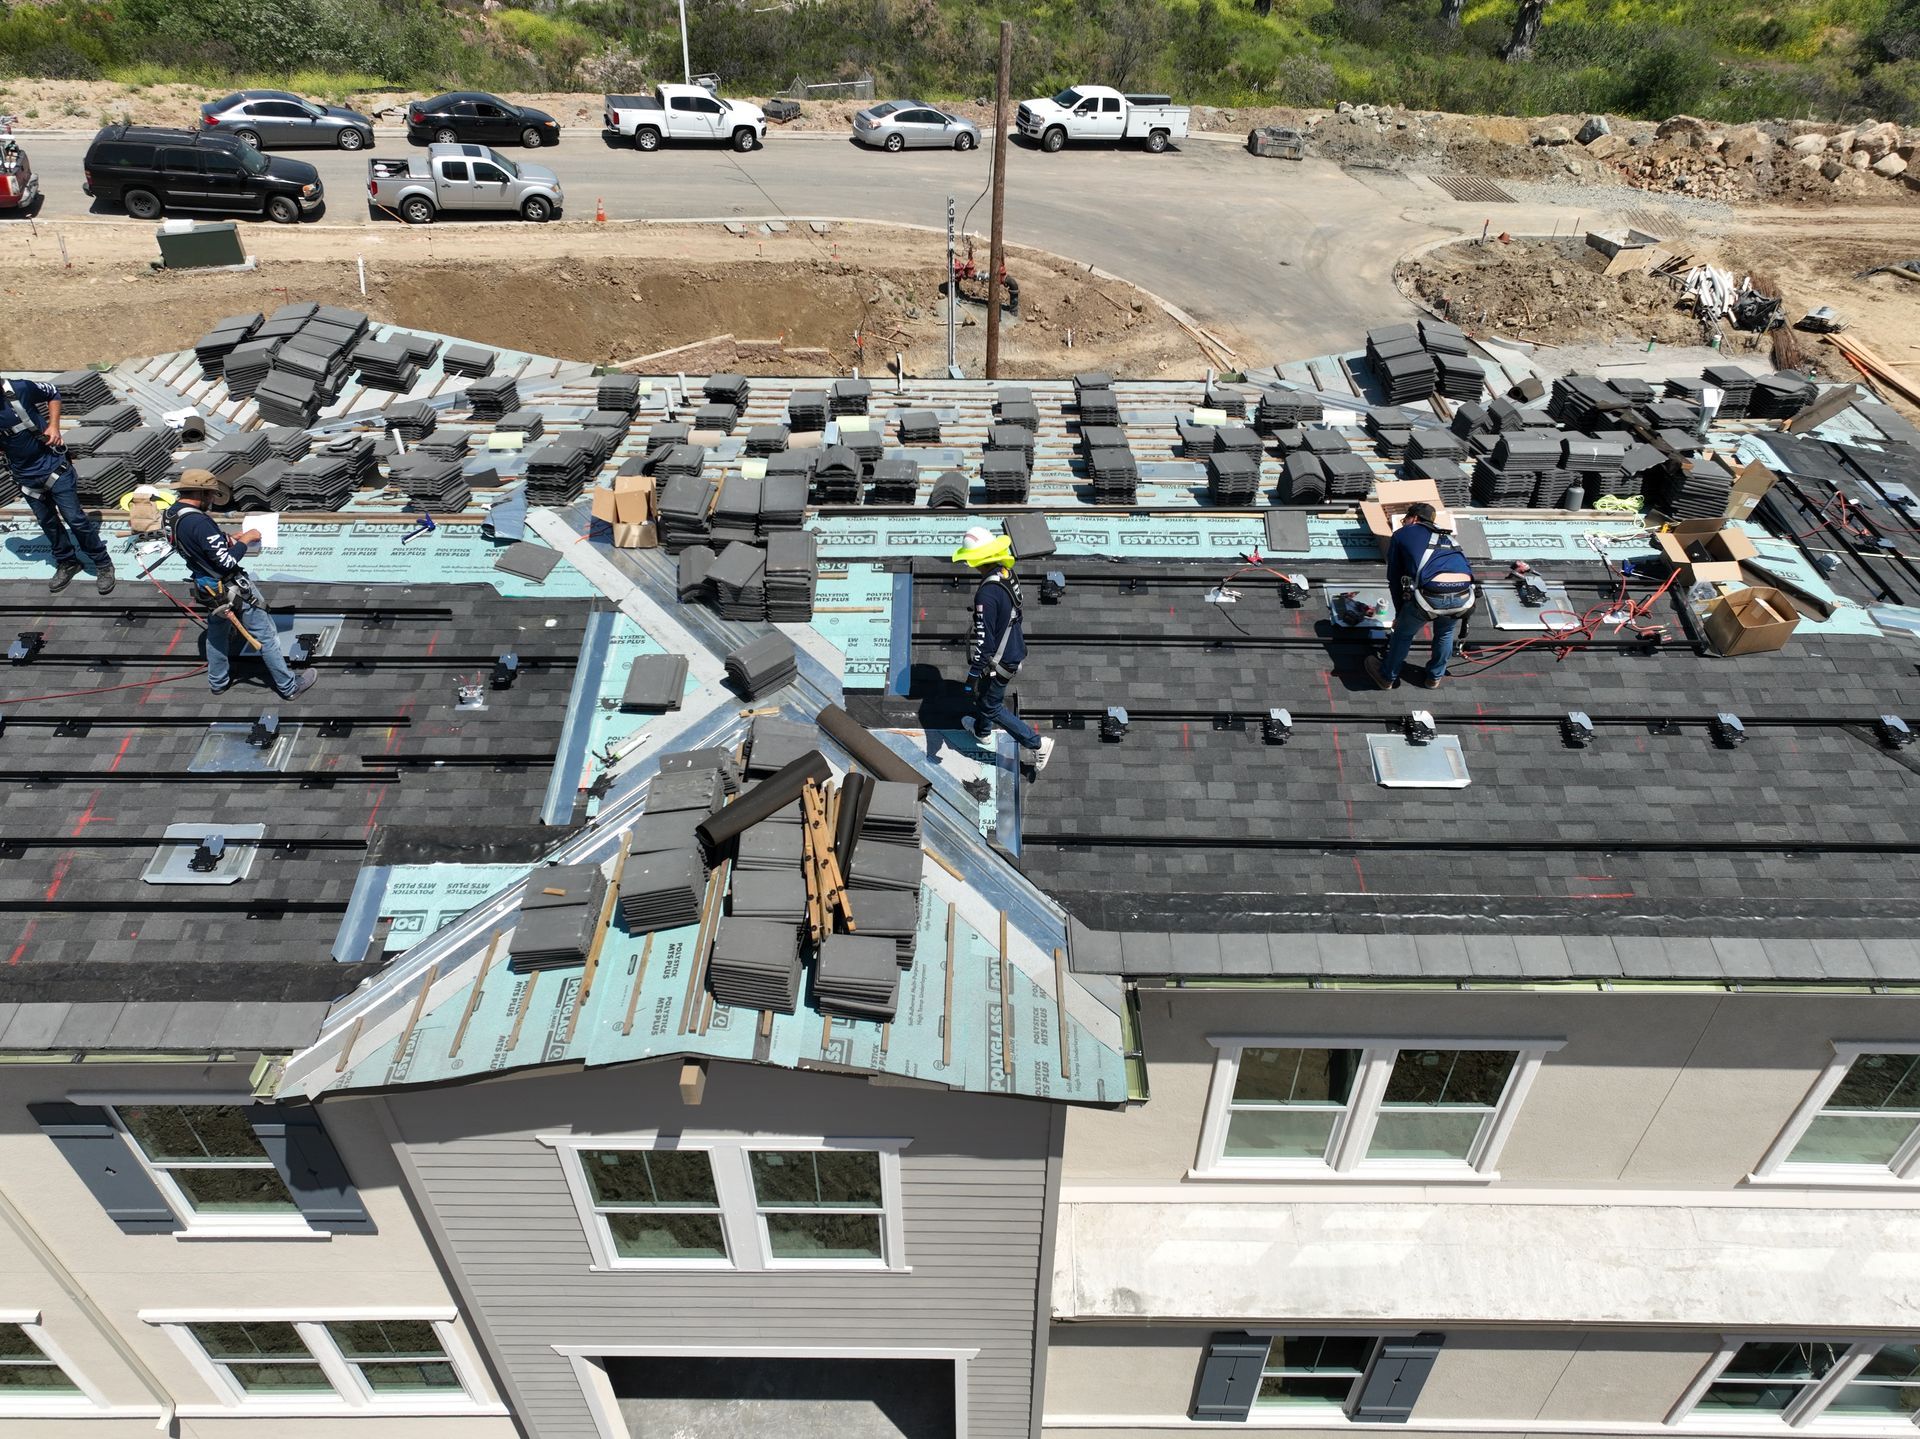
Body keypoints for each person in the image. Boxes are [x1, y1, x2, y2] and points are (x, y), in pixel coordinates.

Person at [167, 470, 315, 700]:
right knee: (266, 636)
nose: (213, 501)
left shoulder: (171, 514)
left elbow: (198, 546)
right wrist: (246, 540)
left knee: (217, 633)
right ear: (201, 493)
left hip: (207, 587)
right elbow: (226, 561)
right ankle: (288, 687)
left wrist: (227, 539)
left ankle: (218, 682)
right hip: (231, 587)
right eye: (211, 495)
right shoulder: (199, 521)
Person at [953, 526, 1054, 772]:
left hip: (1001, 659)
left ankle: (1037, 743)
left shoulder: (986, 595)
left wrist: (972, 676)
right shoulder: (1006, 573)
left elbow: (984, 643)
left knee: (990, 705)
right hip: (1013, 647)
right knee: (987, 695)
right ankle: (982, 731)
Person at [1, 376, 114, 594]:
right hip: (24, 476)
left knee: (75, 519)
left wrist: (54, 426)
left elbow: (53, 392)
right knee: (47, 522)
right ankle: (68, 561)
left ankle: (102, 563)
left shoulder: (20, 388)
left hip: (53, 467)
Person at [1364, 502, 1476, 691]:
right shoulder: (1447, 536)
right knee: (1445, 633)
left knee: (1403, 634)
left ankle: (1387, 677)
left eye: (1405, 519)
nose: (1404, 522)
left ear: (1414, 518)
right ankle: (1434, 678)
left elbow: (1394, 577)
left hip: (1429, 596)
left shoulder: (1403, 533)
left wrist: (1400, 614)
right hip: (1463, 596)